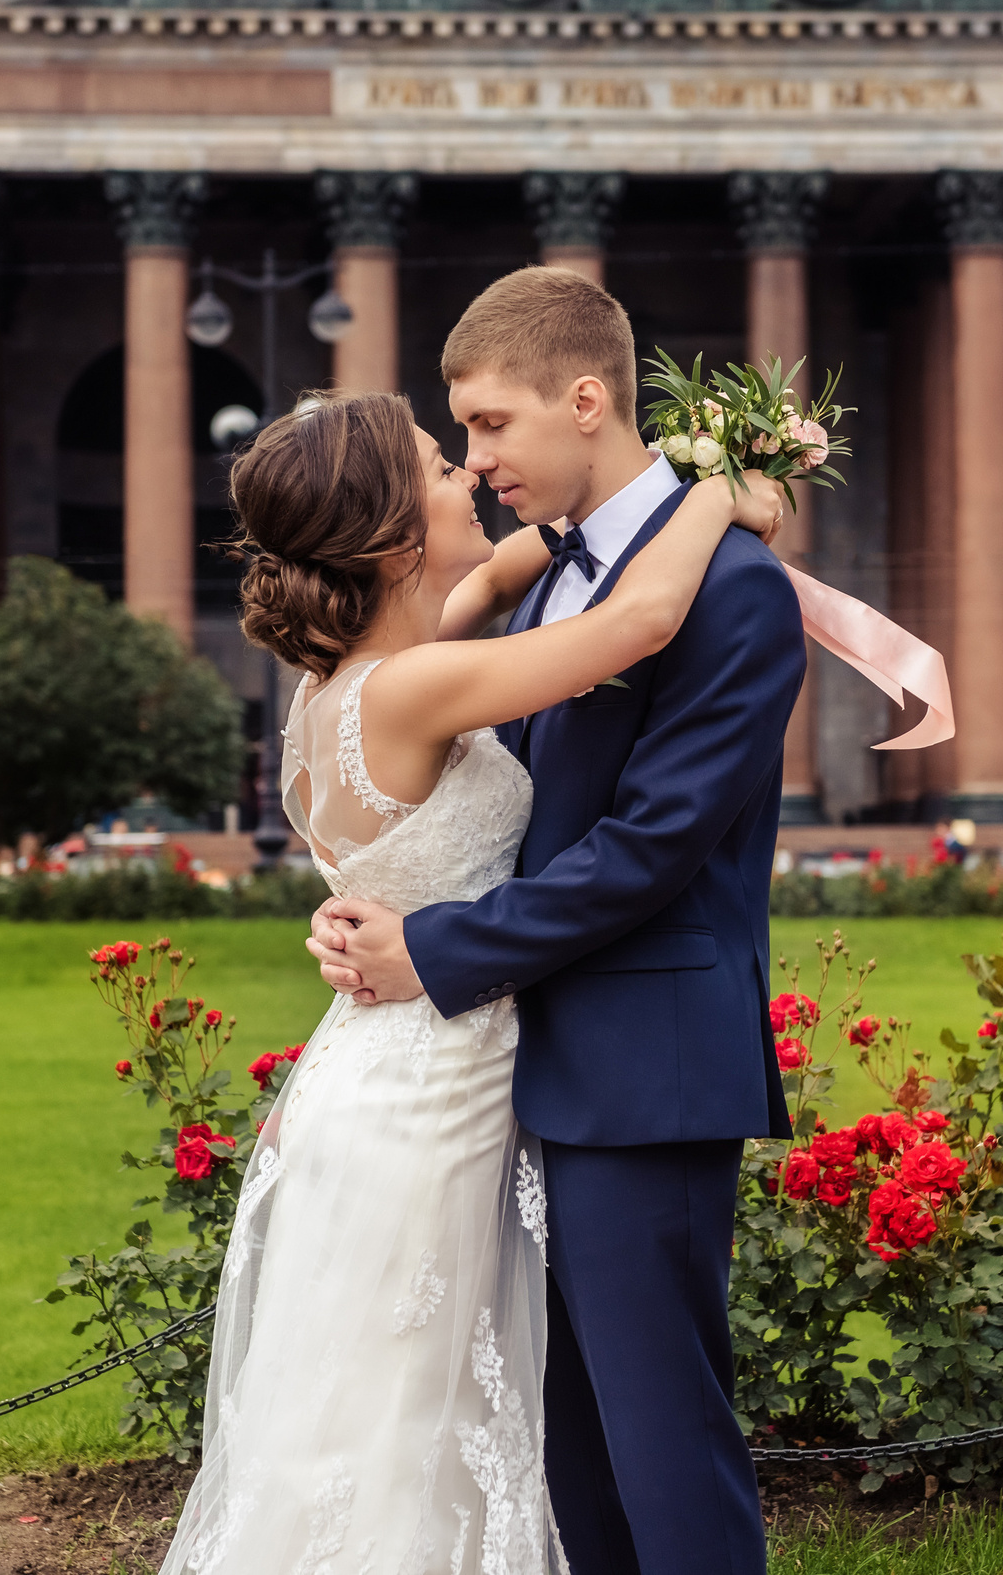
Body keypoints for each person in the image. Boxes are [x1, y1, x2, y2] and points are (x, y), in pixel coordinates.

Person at [159, 338, 787, 1574]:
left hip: (397, 1067)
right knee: (430, 1415)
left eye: (481, 440)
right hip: (436, 1076)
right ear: (397, 541)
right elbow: (643, 616)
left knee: (417, 1409)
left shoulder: (361, 669)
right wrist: (719, 482)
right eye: (448, 464)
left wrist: (634, 494)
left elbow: (524, 559)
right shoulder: (422, 678)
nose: (476, 476)